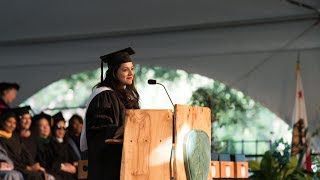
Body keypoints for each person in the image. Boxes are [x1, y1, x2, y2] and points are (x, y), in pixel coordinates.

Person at [80, 47, 140, 179]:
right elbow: (100, 131)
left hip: (128, 161)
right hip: (108, 165)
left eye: (132, 68)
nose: (131, 73)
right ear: (114, 72)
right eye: (125, 69)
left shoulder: (126, 96)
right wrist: (129, 129)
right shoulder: (104, 96)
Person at [0, 109, 47, 180]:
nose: (12, 125)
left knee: (40, 173)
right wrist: (27, 168)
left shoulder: (15, 137)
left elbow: (26, 153)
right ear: (3, 122)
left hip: (22, 167)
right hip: (15, 167)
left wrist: (33, 165)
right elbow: (10, 158)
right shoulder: (1, 138)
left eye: (14, 123)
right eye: (9, 122)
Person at [50, 112, 77, 180]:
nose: (61, 131)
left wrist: (72, 164)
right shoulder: (50, 144)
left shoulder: (67, 142)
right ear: (54, 128)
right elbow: (51, 161)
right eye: (59, 127)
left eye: (64, 128)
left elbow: (71, 158)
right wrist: (63, 166)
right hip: (58, 173)